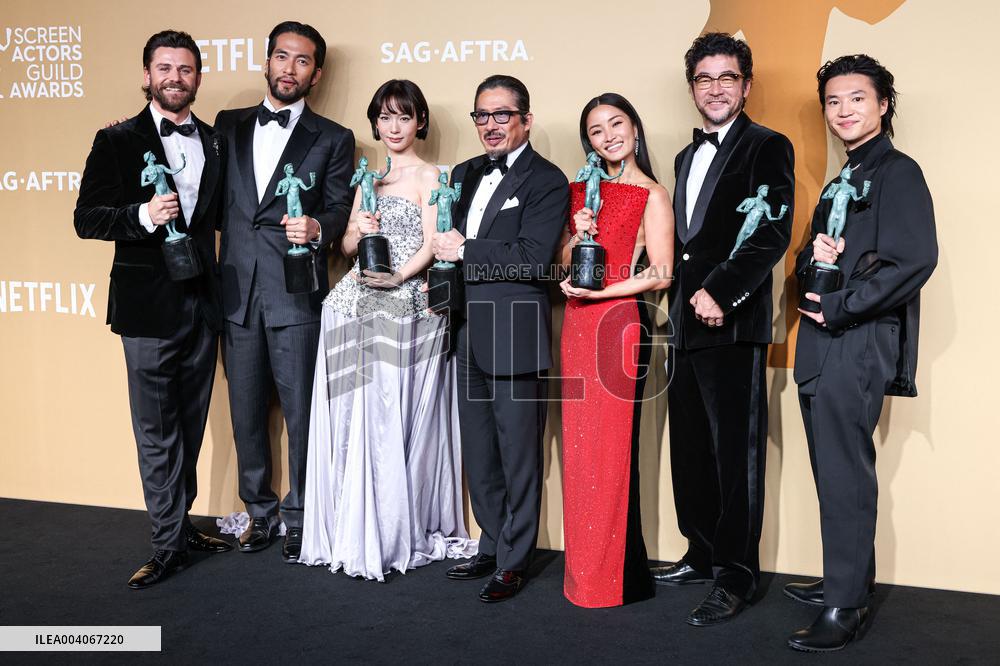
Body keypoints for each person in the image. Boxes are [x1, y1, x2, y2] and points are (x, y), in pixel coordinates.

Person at [787, 54, 937, 652]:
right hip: (822, 342)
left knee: (846, 471)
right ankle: (847, 578)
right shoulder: (840, 180)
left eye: (856, 98)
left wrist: (845, 305)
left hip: (859, 338)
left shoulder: (898, 172)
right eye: (833, 101)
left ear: (882, 105)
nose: (844, 110)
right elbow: (814, 264)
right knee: (833, 467)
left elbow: (914, 260)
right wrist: (814, 260)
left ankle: (845, 606)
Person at [73, 29, 231, 589]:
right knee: (156, 429)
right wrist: (142, 214)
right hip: (145, 309)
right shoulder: (116, 139)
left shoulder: (214, 140)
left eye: (185, 70)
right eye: (164, 68)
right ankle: (167, 542)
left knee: (187, 425)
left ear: (196, 79)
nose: (174, 78)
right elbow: (86, 219)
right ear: (147, 75)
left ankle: (180, 525)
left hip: (202, 306)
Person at [298, 79, 473, 580]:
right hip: (351, 304)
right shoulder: (366, 178)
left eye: (404, 117)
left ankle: (388, 527)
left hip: (402, 308)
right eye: (385, 117)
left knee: (386, 417)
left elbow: (435, 239)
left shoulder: (430, 176)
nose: (393, 127)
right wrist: (360, 231)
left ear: (419, 122)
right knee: (347, 415)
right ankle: (346, 526)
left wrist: (399, 275)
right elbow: (349, 247)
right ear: (375, 123)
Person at [654, 32, 794, 626]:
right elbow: (686, 244)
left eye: (727, 78)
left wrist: (723, 291)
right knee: (689, 450)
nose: (715, 88)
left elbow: (771, 232)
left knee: (735, 456)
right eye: (705, 79)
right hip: (685, 325)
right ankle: (702, 552)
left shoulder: (769, 145)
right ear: (692, 87)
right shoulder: (686, 157)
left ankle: (735, 576)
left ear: (745, 84)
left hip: (732, 325)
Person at [213, 21, 355, 562]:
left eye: (301, 61)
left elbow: (339, 207)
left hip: (296, 292)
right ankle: (259, 513)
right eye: (281, 57)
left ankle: (301, 517)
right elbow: (185, 171)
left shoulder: (334, 138)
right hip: (235, 291)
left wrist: (319, 228)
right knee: (245, 411)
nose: (289, 69)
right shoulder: (226, 126)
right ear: (267, 61)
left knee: (302, 413)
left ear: (316, 72)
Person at [431, 75, 569, 602]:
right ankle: (490, 542)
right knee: (480, 450)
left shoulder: (547, 180)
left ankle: (515, 558)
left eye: (502, 115)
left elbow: (534, 259)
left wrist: (467, 248)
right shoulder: (463, 173)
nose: (491, 126)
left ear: (525, 120)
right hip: (464, 328)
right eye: (482, 116)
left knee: (518, 453)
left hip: (514, 329)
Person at [557, 93, 674, 608]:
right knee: (581, 450)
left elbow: (662, 273)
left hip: (618, 325)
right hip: (576, 326)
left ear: (634, 127)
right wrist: (574, 236)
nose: (608, 136)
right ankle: (585, 573)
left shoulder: (652, 193)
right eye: (597, 130)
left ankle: (615, 578)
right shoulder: (578, 189)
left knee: (610, 449)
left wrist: (600, 292)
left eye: (616, 123)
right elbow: (561, 256)